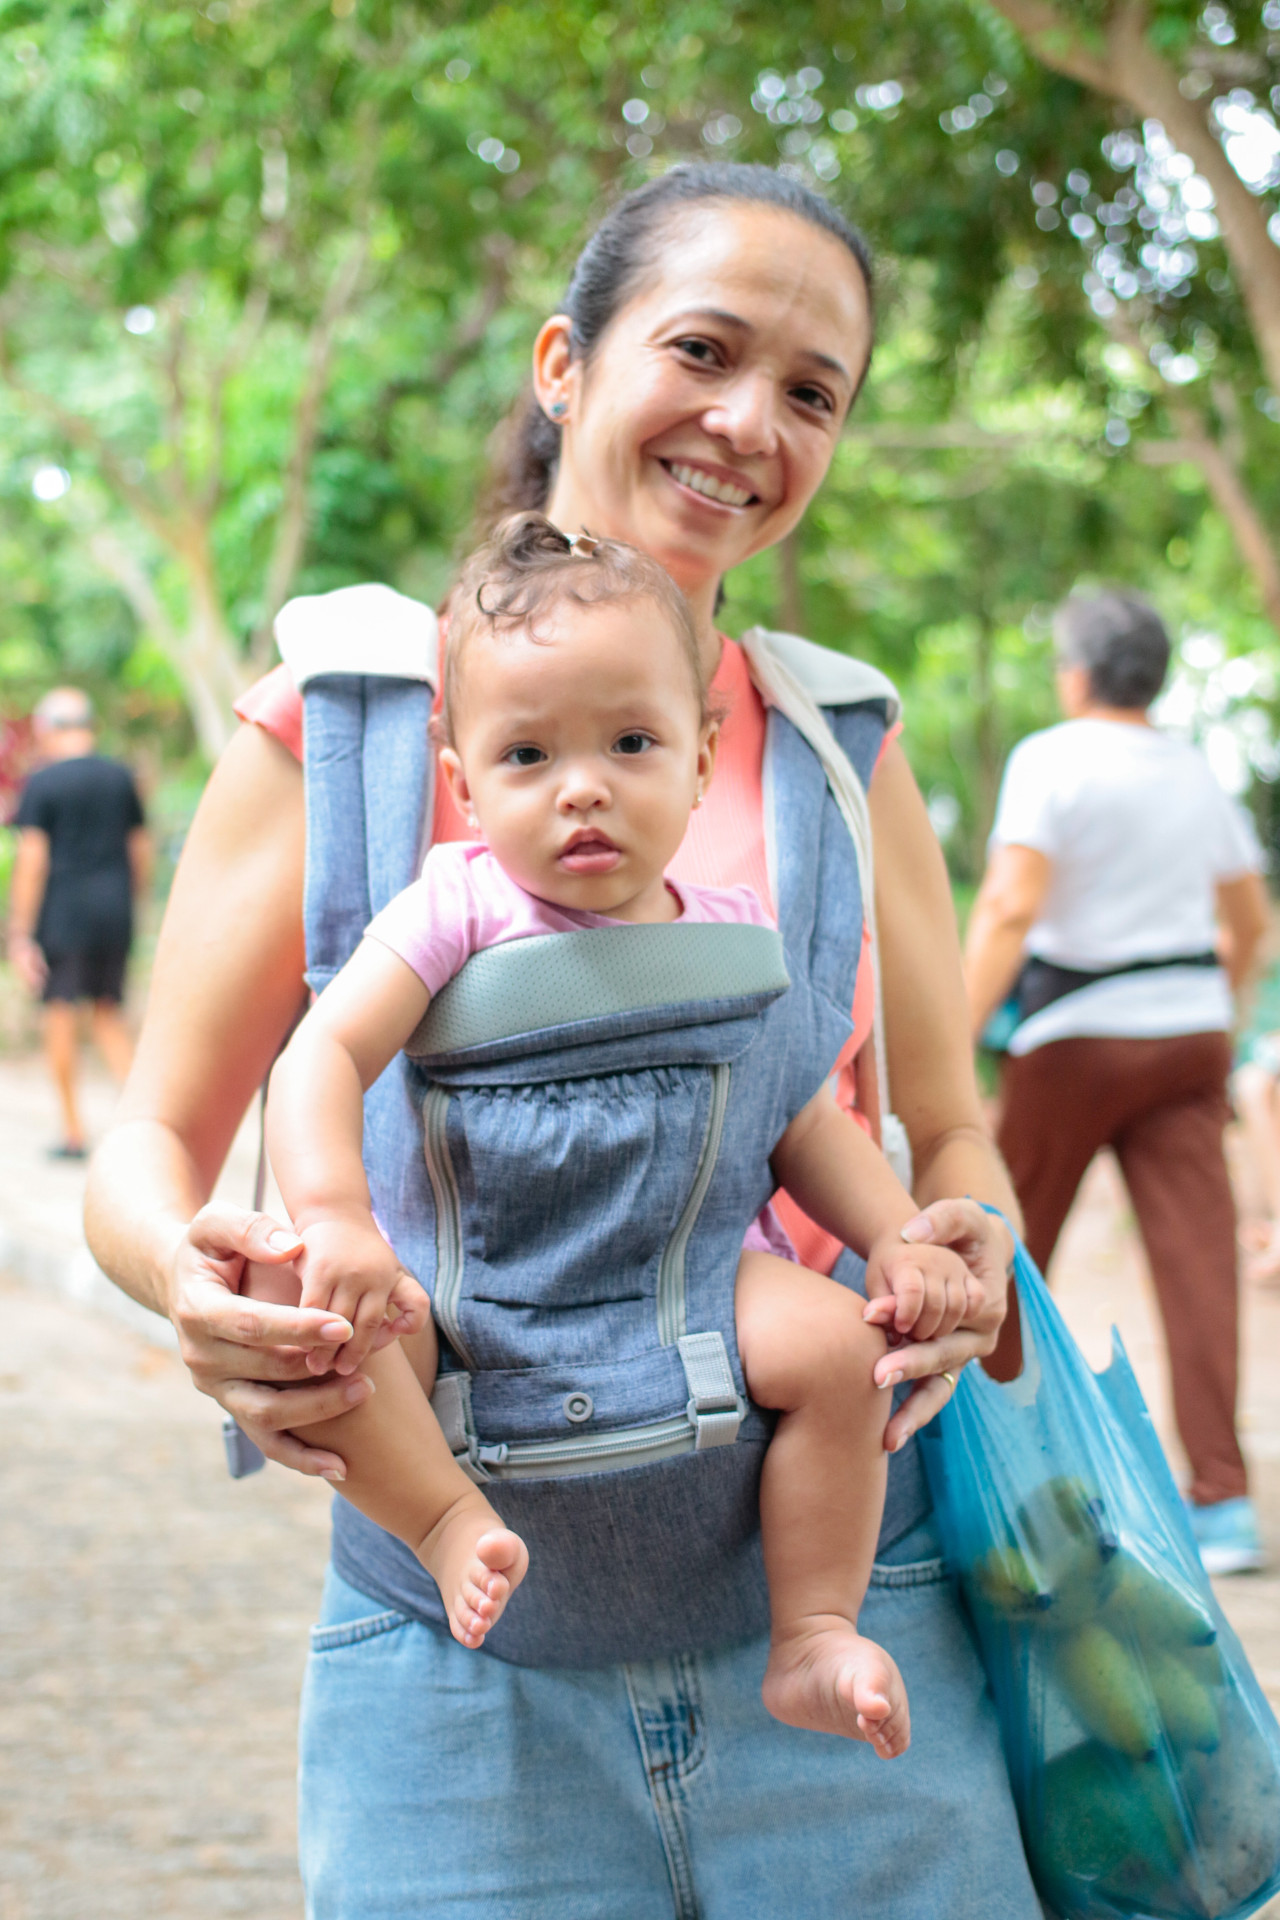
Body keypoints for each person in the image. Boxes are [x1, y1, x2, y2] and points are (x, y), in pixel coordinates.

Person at [85, 165, 1041, 1916]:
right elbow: (145, 1151)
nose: (751, 421)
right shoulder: (357, 723)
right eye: (704, 347)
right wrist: (197, 1285)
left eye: (814, 391)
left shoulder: (846, 748)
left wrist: (964, 1235)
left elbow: (939, 1130)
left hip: (844, 1640)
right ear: (563, 365)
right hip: (462, 1689)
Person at [264, 513, 991, 1758]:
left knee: (832, 1349)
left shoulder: (729, 928)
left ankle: (812, 1628)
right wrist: (336, 1219)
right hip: (478, 1285)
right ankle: (443, 1525)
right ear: (460, 775)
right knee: (346, 1342)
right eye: (529, 753)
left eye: (630, 742)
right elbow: (320, 1054)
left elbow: (798, 1118)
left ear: (704, 759)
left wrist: (900, 1235)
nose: (582, 785)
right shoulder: (457, 907)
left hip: (684, 1271)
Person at [965, 587, 1269, 1578]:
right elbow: (1248, 920)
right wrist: (1208, 1010)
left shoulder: (1049, 758)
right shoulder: (1193, 771)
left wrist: (953, 1034)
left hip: (1071, 1034)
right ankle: (1218, 1500)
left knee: (1003, 1244)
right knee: (1197, 1259)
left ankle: (981, 1468)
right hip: (1184, 1034)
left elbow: (1010, 905)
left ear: (1074, 673)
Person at [7, 687, 150, 1158]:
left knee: (61, 1011)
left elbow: (32, 859)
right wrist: (133, 902)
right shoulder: (120, 778)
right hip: (115, 910)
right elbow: (140, 851)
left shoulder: (43, 783)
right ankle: (144, 1127)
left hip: (64, 913)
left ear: (50, 729)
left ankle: (73, 1131)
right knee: (108, 1010)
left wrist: (21, 932)